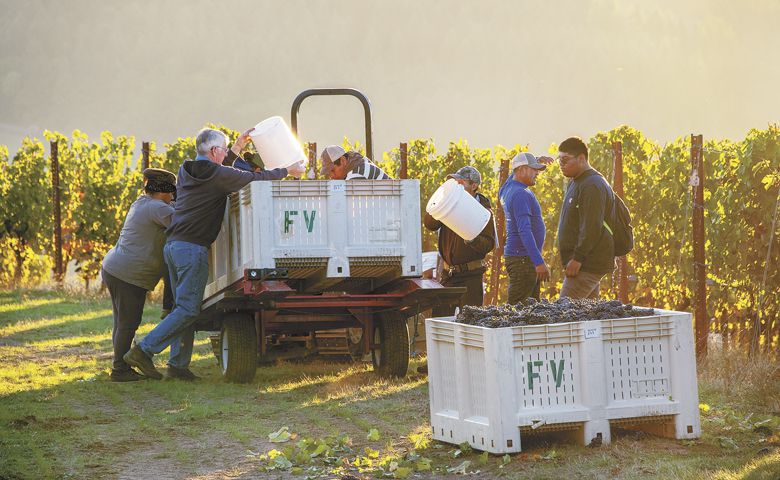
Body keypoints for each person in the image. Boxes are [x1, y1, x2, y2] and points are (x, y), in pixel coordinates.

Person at [123, 127, 305, 381]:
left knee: (180, 307)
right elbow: (253, 179)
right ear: (215, 151)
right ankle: (143, 350)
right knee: (188, 309)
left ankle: (177, 366)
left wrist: (237, 146)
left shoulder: (187, 170)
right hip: (191, 248)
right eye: (224, 148)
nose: (224, 154)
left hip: (174, 246)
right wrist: (287, 171)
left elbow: (221, 172)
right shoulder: (215, 174)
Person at [101, 168, 177, 382]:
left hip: (114, 267)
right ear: (162, 190)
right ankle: (120, 370)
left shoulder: (142, 203)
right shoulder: (159, 209)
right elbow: (184, 223)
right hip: (129, 274)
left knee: (121, 322)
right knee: (128, 323)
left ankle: (120, 365)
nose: (174, 194)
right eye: (171, 189)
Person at [425, 166, 496, 316]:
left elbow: (489, 244)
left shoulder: (484, 212)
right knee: (440, 322)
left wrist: (473, 240)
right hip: (448, 276)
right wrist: (437, 203)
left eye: (461, 182)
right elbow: (430, 225)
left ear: (474, 185)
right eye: (455, 182)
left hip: (471, 276)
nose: (456, 186)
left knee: (471, 324)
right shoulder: (448, 205)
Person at [556, 136, 616, 299]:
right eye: (559, 160)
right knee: (587, 317)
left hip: (586, 264)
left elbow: (591, 225)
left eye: (565, 160)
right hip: (583, 264)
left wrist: (578, 258)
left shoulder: (592, 185)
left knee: (564, 314)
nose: (561, 165)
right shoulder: (576, 182)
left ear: (581, 158)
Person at [499, 153, 551, 304]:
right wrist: (538, 262)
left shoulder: (507, 188)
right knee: (518, 311)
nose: (537, 173)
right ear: (521, 169)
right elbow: (525, 231)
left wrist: (535, 161)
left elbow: (512, 175)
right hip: (524, 260)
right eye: (534, 169)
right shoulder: (521, 194)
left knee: (531, 310)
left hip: (519, 258)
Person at [320, 145, 392, 180]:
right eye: (328, 172)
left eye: (332, 170)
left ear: (343, 161)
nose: (331, 176)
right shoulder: (359, 162)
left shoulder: (355, 175)